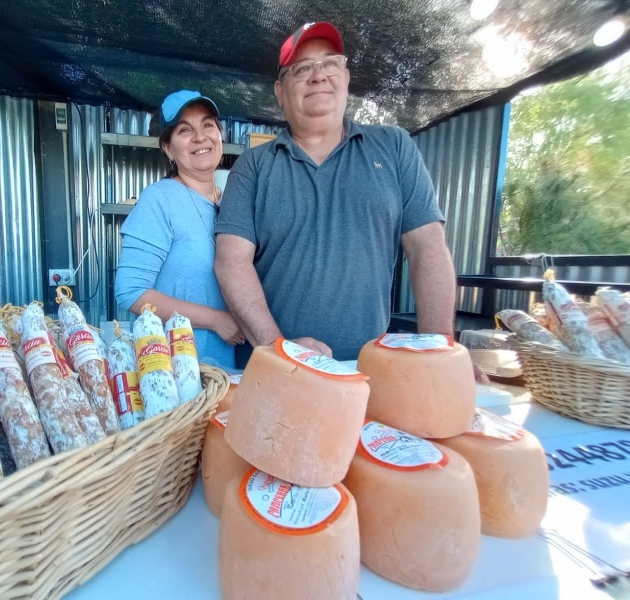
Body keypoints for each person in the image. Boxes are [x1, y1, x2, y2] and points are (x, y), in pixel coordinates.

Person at [214, 22, 458, 365]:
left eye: (330, 63)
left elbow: (427, 247)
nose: (318, 75)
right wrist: (280, 352)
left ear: (345, 78)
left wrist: (440, 353)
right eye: (302, 69)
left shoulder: (394, 147)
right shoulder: (252, 166)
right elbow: (231, 262)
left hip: (370, 369)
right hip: (272, 369)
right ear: (280, 92)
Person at [115, 90, 243, 369]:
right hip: (174, 370)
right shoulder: (159, 200)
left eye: (208, 125)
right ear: (168, 148)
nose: (200, 137)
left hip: (227, 369)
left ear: (220, 135)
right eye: (185, 130)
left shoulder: (232, 203)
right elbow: (131, 292)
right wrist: (216, 320)